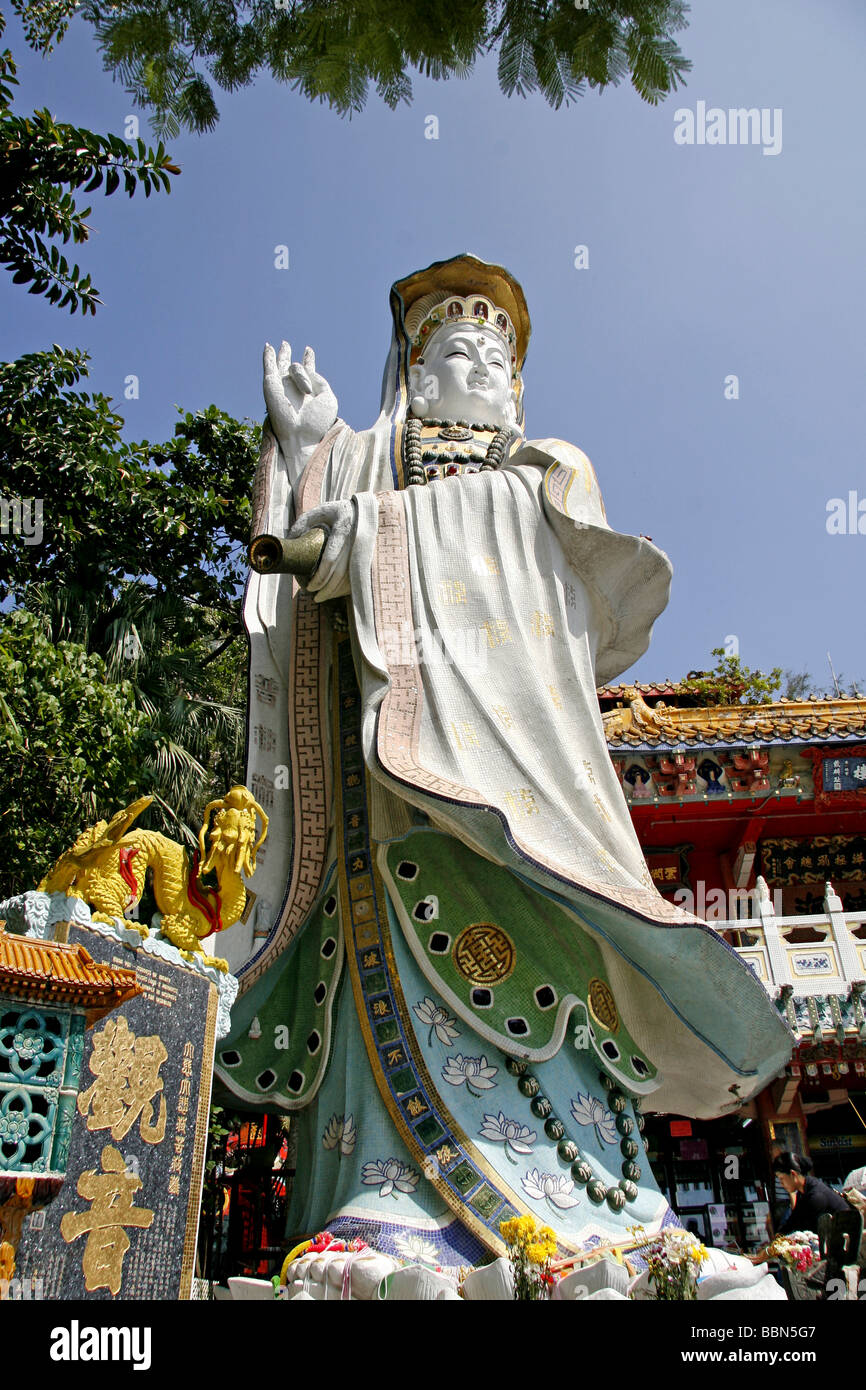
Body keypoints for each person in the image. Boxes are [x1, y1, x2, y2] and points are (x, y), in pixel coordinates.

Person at [215, 255, 793, 1266]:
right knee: (393, 947)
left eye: (495, 357)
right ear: (415, 369)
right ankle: (382, 1201)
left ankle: (618, 1218)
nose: (478, 367)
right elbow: (300, 557)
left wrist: (374, 535)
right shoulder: (368, 463)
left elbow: (547, 586)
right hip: (393, 796)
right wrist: (308, 443)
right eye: (454, 351)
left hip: (525, 779)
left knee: (561, 978)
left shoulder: (544, 470)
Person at [772, 1152, 849, 1236]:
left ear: (793, 1174)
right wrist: (779, 1235)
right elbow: (793, 1220)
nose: (781, 1183)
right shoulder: (803, 1192)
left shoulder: (815, 1196)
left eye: (781, 1178)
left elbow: (803, 1228)